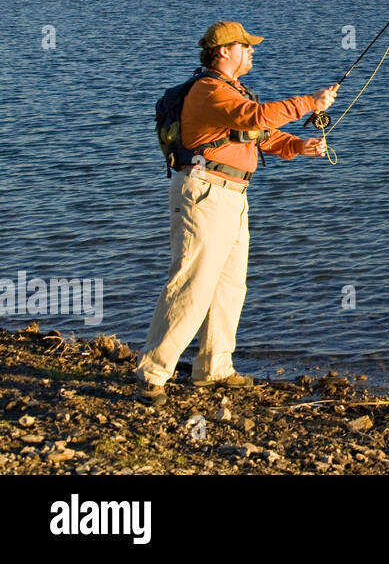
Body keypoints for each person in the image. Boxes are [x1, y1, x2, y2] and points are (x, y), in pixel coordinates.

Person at [135, 21, 338, 404]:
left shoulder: (232, 91)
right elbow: (257, 118)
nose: (252, 51)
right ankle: (152, 373)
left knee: (229, 287)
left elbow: (261, 135)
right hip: (205, 193)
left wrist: (298, 146)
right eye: (246, 46)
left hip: (232, 194)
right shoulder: (208, 90)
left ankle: (214, 369)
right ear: (223, 51)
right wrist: (310, 102)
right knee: (191, 284)